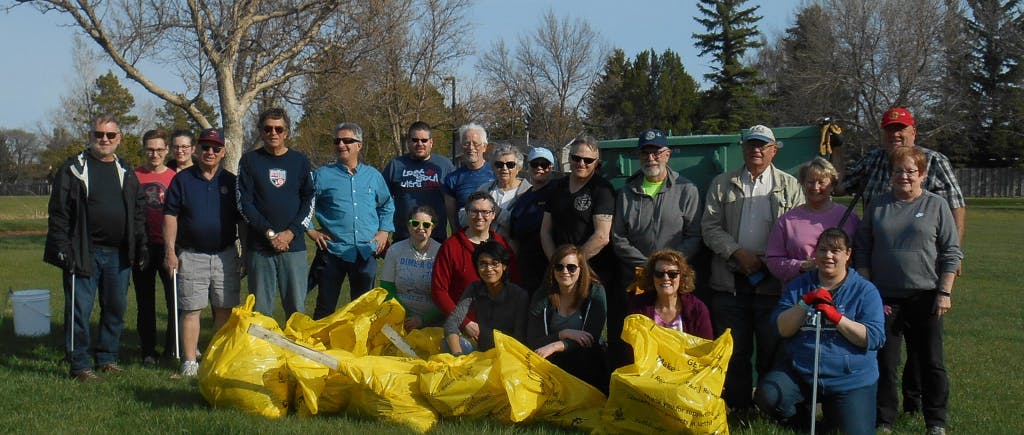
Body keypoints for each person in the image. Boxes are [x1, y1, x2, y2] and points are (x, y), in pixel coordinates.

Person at [842, 107, 967, 416]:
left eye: (902, 129)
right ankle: (886, 412)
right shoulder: (873, 161)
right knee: (885, 352)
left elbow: (955, 205)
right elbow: (841, 184)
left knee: (924, 353)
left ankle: (918, 405)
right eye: (889, 129)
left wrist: (953, 256)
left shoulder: (933, 161)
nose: (895, 134)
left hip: (924, 270)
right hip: (882, 272)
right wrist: (836, 150)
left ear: (914, 132)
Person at [701, 124, 805, 413]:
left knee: (772, 349)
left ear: (774, 150)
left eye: (763, 145)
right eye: (751, 145)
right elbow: (709, 228)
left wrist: (768, 259)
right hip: (730, 280)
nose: (756, 150)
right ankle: (739, 407)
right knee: (735, 351)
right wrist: (737, 252)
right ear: (743, 148)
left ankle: (770, 406)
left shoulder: (790, 185)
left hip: (773, 283)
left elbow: (798, 232)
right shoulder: (722, 184)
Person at [44, 114, 148, 382]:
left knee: (115, 308)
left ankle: (107, 358)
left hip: (120, 254)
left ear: (119, 138)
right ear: (90, 136)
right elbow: (58, 213)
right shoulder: (73, 169)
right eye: (99, 135)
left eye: (110, 135)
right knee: (80, 310)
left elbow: (138, 213)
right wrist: (62, 248)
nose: (104, 140)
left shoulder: (126, 171)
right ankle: (79, 363)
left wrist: (141, 245)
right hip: (83, 252)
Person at [755, 228, 885, 435]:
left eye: (836, 250)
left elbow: (874, 339)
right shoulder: (799, 286)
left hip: (850, 378)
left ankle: (836, 415)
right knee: (769, 396)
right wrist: (804, 304)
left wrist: (836, 318)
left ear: (848, 254)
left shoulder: (865, 291)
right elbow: (781, 329)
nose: (828, 256)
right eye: (822, 250)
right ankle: (803, 423)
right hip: (802, 372)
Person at [611, 129, 702, 365]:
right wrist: (648, 267)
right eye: (645, 153)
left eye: (656, 152)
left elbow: (694, 236)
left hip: (673, 281)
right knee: (635, 347)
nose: (651, 158)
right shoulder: (625, 193)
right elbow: (618, 238)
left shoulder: (687, 189)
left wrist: (669, 267)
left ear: (667, 154)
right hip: (636, 283)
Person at [163, 128, 242, 378]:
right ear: (197, 150)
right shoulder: (183, 180)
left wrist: (245, 254)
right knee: (191, 309)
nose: (210, 152)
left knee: (223, 309)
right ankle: (189, 362)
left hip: (225, 255)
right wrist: (170, 252)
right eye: (205, 147)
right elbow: (170, 216)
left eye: (215, 148)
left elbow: (243, 222)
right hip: (191, 255)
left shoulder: (231, 182)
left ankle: (216, 359)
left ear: (223, 152)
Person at [306, 122, 395, 319]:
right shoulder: (322, 175)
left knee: (363, 310)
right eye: (337, 141)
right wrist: (311, 231)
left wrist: (384, 232)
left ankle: (359, 347)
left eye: (347, 140)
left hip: (365, 251)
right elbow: (304, 205)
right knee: (325, 308)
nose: (341, 145)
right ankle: (317, 347)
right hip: (332, 251)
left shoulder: (373, 176)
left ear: (359, 145)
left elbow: (387, 205)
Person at [236, 108, 315, 318]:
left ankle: (295, 350)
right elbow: (244, 203)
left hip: (294, 246)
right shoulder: (249, 161)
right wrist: (270, 234)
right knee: (260, 312)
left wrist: (290, 233)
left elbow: (309, 200)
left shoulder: (300, 161)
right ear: (261, 131)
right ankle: (263, 352)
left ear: (286, 132)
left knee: (296, 310)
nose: (273, 133)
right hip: (260, 247)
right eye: (268, 128)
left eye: (279, 129)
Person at [432, 191, 519, 336]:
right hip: (462, 328)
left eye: (485, 212)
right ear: (466, 213)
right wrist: (464, 322)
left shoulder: (502, 245)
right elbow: (438, 291)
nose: (480, 217)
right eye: (474, 211)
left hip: (498, 327)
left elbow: (514, 284)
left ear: (493, 215)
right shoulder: (451, 246)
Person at [765, 157, 859, 287]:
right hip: (800, 293)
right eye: (810, 182)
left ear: (832, 184)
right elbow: (773, 261)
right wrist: (801, 266)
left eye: (821, 182)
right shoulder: (786, 221)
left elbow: (860, 257)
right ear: (802, 184)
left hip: (841, 291)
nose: (815, 187)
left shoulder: (850, 218)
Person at [527, 244, 608, 392]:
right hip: (551, 359)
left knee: (585, 357)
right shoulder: (542, 295)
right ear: (552, 269)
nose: (565, 272)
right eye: (559, 267)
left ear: (580, 269)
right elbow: (533, 340)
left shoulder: (595, 292)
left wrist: (555, 345)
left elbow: (591, 337)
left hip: (585, 356)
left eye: (571, 267)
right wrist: (563, 333)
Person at [133, 128, 177, 364]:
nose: (154, 154)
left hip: (169, 247)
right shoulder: (133, 176)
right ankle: (148, 351)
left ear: (166, 150)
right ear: (144, 150)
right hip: (143, 246)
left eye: (159, 149)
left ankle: (172, 348)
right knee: (145, 301)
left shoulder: (173, 177)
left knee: (174, 301)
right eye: (150, 149)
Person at [443, 240, 529, 354]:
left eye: (495, 263)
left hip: (510, 355)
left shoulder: (519, 295)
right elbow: (451, 323)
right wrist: (458, 358)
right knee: (447, 343)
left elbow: (520, 339)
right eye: (483, 264)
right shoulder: (474, 288)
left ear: (504, 266)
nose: (489, 269)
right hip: (482, 353)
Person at [382, 121, 456, 243]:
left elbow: (454, 202)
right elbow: (382, 201)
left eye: (424, 140)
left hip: (435, 237)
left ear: (431, 142)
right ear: (408, 142)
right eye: (415, 140)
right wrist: (383, 230)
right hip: (403, 237)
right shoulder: (395, 165)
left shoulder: (444, 166)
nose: (419, 144)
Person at [507, 147, 560, 295]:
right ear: (528, 166)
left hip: (551, 266)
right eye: (535, 164)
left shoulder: (559, 190)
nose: (539, 168)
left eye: (544, 164)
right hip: (526, 269)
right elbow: (514, 238)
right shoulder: (522, 199)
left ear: (551, 167)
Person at [381, 206, 444, 330]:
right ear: (409, 226)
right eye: (415, 223)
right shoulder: (395, 250)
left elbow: (447, 295)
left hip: (434, 320)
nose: (421, 228)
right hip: (399, 316)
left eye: (426, 225)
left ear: (433, 227)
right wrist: (405, 316)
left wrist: (423, 320)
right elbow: (387, 289)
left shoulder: (442, 252)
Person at [627, 249, 712, 340]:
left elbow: (705, 347)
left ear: (682, 277)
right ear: (652, 277)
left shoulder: (697, 308)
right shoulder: (638, 306)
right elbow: (633, 347)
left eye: (672, 274)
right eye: (659, 274)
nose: (666, 278)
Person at [443, 122, 494, 231]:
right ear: (461, 147)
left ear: (484, 147)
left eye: (475, 144)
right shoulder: (452, 179)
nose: (471, 148)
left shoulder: (495, 173)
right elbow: (452, 219)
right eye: (466, 143)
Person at [476, 143, 530, 239]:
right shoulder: (484, 189)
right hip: (485, 248)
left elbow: (526, 225)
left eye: (510, 165)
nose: (504, 169)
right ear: (493, 168)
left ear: (518, 168)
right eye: (499, 164)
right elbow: (465, 215)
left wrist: (498, 213)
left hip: (515, 250)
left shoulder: (529, 192)